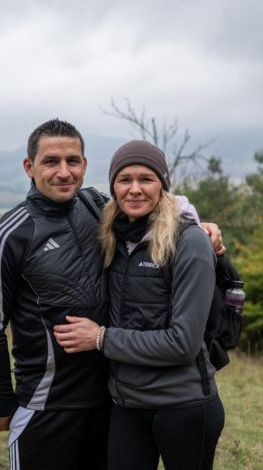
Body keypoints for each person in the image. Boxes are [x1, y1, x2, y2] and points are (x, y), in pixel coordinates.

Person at [0, 121, 223, 470]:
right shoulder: (10, 235)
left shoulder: (95, 207)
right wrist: (2, 404)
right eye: (51, 161)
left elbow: (150, 206)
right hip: (47, 405)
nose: (64, 172)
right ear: (29, 167)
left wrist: (199, 225)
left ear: (85, 165)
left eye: (72, 161)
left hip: (109, 402)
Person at [54, 140, 225, 470]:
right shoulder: (114, 235)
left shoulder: (189, 241)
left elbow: (183, 344)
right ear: (113, 187)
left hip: (183, 405)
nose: (134, 189)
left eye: (146, 179)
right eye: (124, 180)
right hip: (126, 404)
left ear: (163, 184)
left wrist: (101, 338)